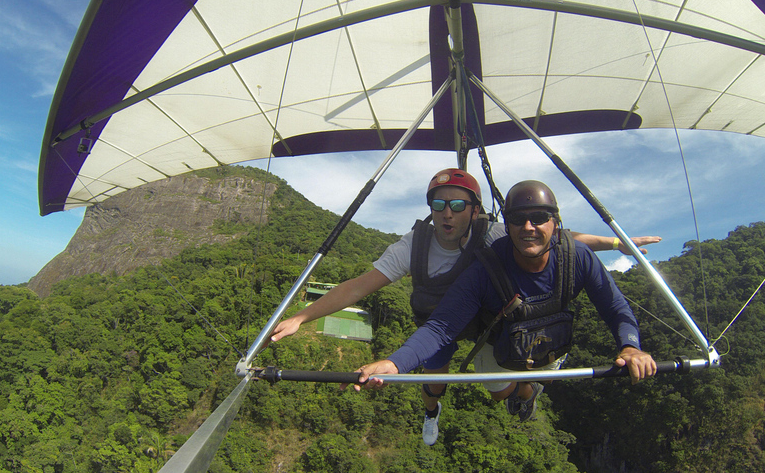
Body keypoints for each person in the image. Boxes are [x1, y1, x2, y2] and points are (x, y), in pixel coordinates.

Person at [272, 170, 660, 444]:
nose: (447, 212)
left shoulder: (496, 232)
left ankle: (527, 391)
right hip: (442, 318)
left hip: (495, 320)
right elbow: (359, 288)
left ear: (476, 211)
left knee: (514, 380)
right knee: (434, 380)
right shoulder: (418, 246)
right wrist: (303, 318)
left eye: (458, 204)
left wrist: (613, 244)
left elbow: (556, 238)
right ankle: (431, 413)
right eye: (438, 204)